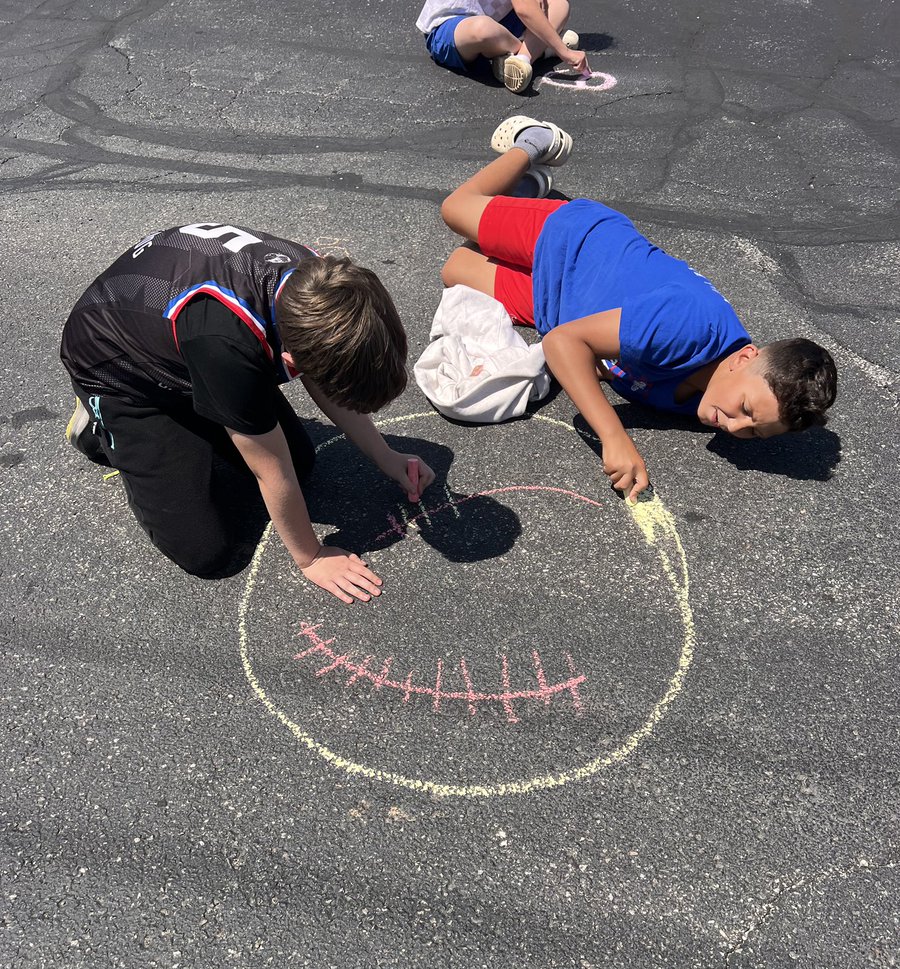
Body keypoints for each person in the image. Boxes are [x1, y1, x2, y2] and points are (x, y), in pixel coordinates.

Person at [439, 118, 838, 498]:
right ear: (745, 358)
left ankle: (524, 193)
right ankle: (534, 143)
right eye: (746, 409)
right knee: (455, 210)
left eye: (754, 433)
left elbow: (606, 360)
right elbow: (563, 343)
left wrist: (591, 358)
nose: (735, 428)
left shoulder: (711, 401)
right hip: (573, 241)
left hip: (556, 304)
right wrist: (614, 437)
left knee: (455, 269)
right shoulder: (688, 327)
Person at [61, 221, 435, 603]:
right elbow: (270, 471)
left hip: (183, 339)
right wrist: (311, 556)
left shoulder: (323, 287)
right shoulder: (225, 345)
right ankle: (99, 422)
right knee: (204, 550)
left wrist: (385, 455)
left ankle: (215, 404)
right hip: (119, 371)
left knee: (301, 464)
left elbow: (324, 376)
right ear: (291, 362)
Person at [416, 0, 588, 93]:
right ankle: (542, 49)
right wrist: (564, 51)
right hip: (451, 27)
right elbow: (525, 9)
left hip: (501, 20)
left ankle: (522, 60)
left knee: (559, 4)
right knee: (483, 30)